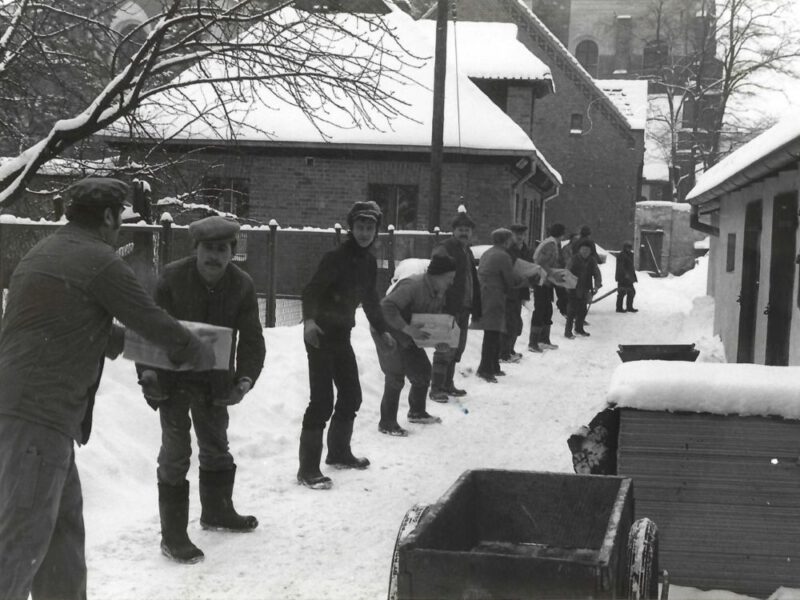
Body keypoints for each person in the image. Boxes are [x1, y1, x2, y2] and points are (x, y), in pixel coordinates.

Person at [0, 177, 216, 600]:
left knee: (62, 538)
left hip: (33, 416)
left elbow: (68, 324)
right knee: (19, 544)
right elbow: (147, 317)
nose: (121, 227)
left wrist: (126, 344)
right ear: (106, 216)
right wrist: (195, 349)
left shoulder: (46, 251)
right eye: (120, 217)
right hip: (38, 420)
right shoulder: (99, 260)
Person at [137, 215, 267, 564]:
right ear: (195, 249)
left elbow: (253, 339)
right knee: (176, 452)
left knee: (216, 444)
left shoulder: (242, 285)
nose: (214, 256)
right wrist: (149, 374)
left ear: (232, 252)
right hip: (173, 380)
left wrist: (244, 380)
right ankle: (173, 535)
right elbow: (149, 329)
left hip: (215, 381)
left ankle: (217, 511)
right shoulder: (171, 278)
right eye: (208, 248)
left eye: (222, 249)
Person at [298, 201, 395, 490]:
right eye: (360, 227)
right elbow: (311, 290)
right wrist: (309, 322)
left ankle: (339, 452)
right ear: (351, 228)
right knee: (322, 401)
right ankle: (307, 470)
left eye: (370, 228)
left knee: (351, 395)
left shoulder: (368, 262)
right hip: (320, 336)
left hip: (342, 336)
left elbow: (370, 300)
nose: (364, 233)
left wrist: (382, 330)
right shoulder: (335, 257)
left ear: (376, 231)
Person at [371, 253, 457, 436]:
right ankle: (387, 423)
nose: (451, 283)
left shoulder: (438, 292)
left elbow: (429, 320)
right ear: (437, 275)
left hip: (406, 333)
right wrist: (408, 329)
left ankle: (417, 412)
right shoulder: (413, 285)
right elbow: (386, 307)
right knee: (395, 376)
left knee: (422, 371)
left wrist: (437, 341)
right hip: (386, 330)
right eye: (449, 278)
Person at [428, 209, 481, 402]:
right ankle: (436, 388)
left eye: (467, 229)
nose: (464, 233)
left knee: (457, 347)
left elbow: (471, 279)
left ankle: (447, 384)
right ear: (453, 231)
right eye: (460, 229)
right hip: (448, 305)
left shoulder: (466, 250)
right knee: (444, 348)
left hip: (463, 306)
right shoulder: (446, 248)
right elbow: (436, 272)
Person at [476, 228, 523, 382]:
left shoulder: (488, 252)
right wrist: (523, 280)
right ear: (506, 240)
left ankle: (493, 366)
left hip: (485, 295)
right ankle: (485, 369)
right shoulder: (503, 256)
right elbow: (509, 279)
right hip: (495, 296)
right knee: (492, 334)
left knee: (493, 333)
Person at [530, 223, 568, 352]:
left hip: (546, 281)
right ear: (561, 234)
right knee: (541, 309)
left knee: (547, 309)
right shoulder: (551, 245)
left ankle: (543, 339)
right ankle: (534, 341)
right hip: (541, 280)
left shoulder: (551, 243)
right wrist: (553, 274)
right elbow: (542, 262)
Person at [500, 223, 532, 363]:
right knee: (509, 323)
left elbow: (530, 265)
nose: (520, 237)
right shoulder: (507, 250)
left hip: (521, 290)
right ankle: (504, 352)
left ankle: (510, 349)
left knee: (516, 323)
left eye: (522, 234)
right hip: (509, 291)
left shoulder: (526, 250)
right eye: (517, 234)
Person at [565, 239, 603, 338]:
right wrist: (568, 286)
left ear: (590, 251)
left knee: (583, 310)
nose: (585, 252)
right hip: (574, 288)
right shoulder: (573, 259)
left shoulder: (592, 261)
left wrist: (596, 286)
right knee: (571, 310)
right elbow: (567, 272)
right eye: (583, 249)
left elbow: (597, 274)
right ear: (579, 250)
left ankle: (579, 328)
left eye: (587, 250)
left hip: (586, 288)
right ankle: (568, 331)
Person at [616, 242, 638, 313]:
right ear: (624, 248)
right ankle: (619, 308)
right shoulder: (622, 255)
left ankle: (629, 307)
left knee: (631, 292)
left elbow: (630, 267)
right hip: (622, 277)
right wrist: (625, 274)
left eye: (629, 248)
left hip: (629, 277)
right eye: (627, 248)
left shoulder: (630, 255)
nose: (629, 249)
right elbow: (620, 267)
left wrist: (633, 276)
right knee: (622, 292)